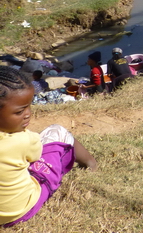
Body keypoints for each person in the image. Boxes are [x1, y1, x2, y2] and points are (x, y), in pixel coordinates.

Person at [0, 66, 97, 227]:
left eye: (29, 106)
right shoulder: (24, 140)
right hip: (19, 211)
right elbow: (36, 155)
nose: (28, 114)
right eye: (19, 112)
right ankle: (91, 163)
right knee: (58, 131)